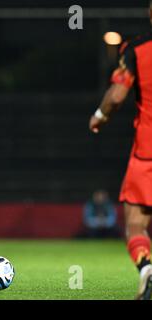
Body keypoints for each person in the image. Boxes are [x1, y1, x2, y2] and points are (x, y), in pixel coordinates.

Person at [88, 1, 152, 300]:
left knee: (136, 224)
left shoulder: (138, 48)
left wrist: (99, 116)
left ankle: (146, 267)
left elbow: (116, 96)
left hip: (147, 151)